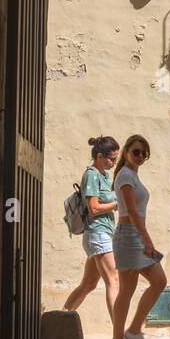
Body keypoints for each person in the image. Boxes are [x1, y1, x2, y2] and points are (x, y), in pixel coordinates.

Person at [110, 134, 167, 339]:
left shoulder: (132, 175)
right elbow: (132, 211)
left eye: (144, 153)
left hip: (134, 234)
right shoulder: (125, 175)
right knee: (127, 290)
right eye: (136, 152)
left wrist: (143, 236)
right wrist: (147, 239)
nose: (140, 156)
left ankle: (133, 330)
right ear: (126, 153)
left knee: (159, 281)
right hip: (129, 236)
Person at [63, 135, 121, 327]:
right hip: (97, 233)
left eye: (116, 159)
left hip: (102, 234)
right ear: (99, 156)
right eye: (111, 158)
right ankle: (120, 335)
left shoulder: (103, 176)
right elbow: (93, 208)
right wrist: (115, 204)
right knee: (114, 282)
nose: (114, 163)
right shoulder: (92, 175)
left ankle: (59, 321)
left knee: (88, 285)